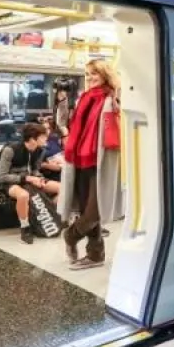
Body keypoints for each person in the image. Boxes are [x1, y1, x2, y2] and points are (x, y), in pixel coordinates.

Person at [59, 59, 124, 270]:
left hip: (101, 159)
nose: (90, 78)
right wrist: (62, 101)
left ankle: (70, 235)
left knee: (94, 211)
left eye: (94, 73)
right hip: (80, 159)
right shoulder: (84, 98)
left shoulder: (113, 96)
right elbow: (66, 124)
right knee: (86, 207)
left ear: (105, 74)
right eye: (87, 74)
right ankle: (95, 254)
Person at [0, 122, 59, 244]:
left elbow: (35, 170)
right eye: (43, 137)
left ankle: (49, 215)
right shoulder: (10, 150)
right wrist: (27, 178)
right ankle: (25, 227)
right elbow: (1, 177)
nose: (46, 139)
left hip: (30, 180)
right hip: (10, 182)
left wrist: (39, 178)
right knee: (23, 195)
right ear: (33, 139)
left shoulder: (40, 151)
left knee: (62, 188)